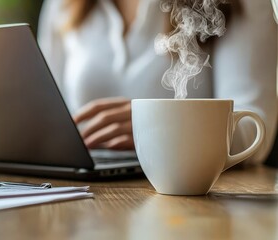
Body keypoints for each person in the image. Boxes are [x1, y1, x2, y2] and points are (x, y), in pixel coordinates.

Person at [38, 0, 277, 164]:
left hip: (192, 202)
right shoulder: (63, 5)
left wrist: (163, 131)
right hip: (83, 192)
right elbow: (47, 114)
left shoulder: (236, 4)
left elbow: (255, 129)